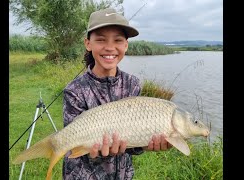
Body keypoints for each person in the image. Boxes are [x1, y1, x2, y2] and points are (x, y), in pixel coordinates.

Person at [62, 8, 172, 179]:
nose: (110, 47)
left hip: (122, 175)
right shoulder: (74, 90)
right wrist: (98, 150)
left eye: (118, 40)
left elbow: (133, 140)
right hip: (82, 174)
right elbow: (72, 143)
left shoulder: (132, 84)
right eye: (100, 39)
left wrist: (146, 143)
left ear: (126, 45)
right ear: (88, 43)